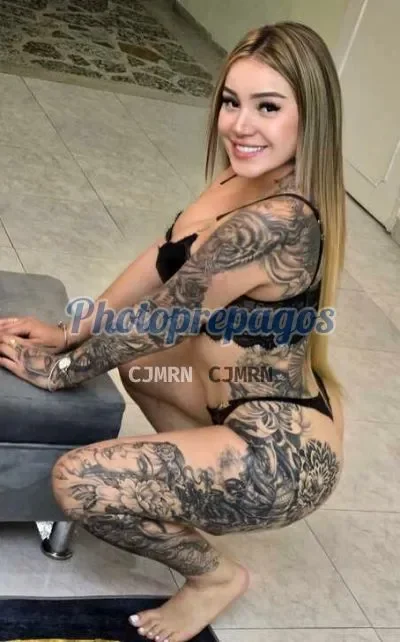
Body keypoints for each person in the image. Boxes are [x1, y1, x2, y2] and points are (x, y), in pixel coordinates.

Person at [0, 21, 346, 642]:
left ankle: (215, 578)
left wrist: (61, 370)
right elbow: (162, 259)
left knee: (79, 482)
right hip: (230, 401)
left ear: (309, 117)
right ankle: (199, 486)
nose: (241, 125)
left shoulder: (280, 219)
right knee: (136, 363)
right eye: (231, 102)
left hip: (280, 453)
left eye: (268, 107)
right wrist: (69, 330)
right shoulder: (239, 179)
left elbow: (163, 318)